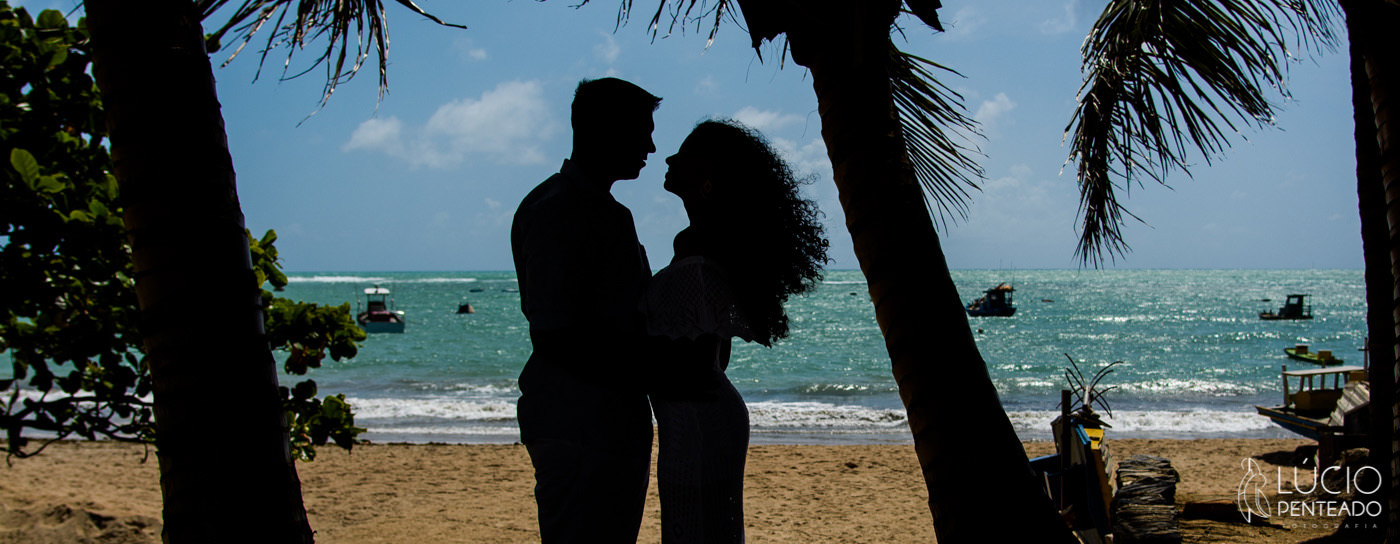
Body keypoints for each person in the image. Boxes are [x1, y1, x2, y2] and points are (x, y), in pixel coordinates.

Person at [644, 119, 829, 543]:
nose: (669, 158)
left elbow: (691, 363)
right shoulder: (715, 243)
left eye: (683, 154)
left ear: (708, 173)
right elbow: (714, 354)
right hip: (702, 411)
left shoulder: (696, 246)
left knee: (693, 528)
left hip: (695, 415)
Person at [510, 77, 661, 543]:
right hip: (584, 427)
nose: (651, 147)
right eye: (641, 131)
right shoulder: (564, 209)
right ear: (604, 130)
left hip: (598, 423)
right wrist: (650, 370)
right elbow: (555, 332)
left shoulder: (590, 208)